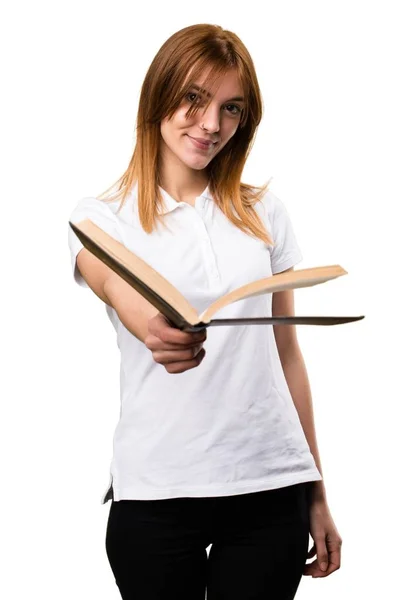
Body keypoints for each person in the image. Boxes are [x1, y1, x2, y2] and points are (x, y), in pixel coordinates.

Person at [68, 23, 342, 600]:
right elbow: (113, 283)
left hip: (269, 489)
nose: (212, 124)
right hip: (156, 492)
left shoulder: (264, 211)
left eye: (231, 108)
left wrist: (316, 491)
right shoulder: (102, 217)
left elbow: (287, 353)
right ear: (159, 95)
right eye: (194, 99)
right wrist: (154, 327)